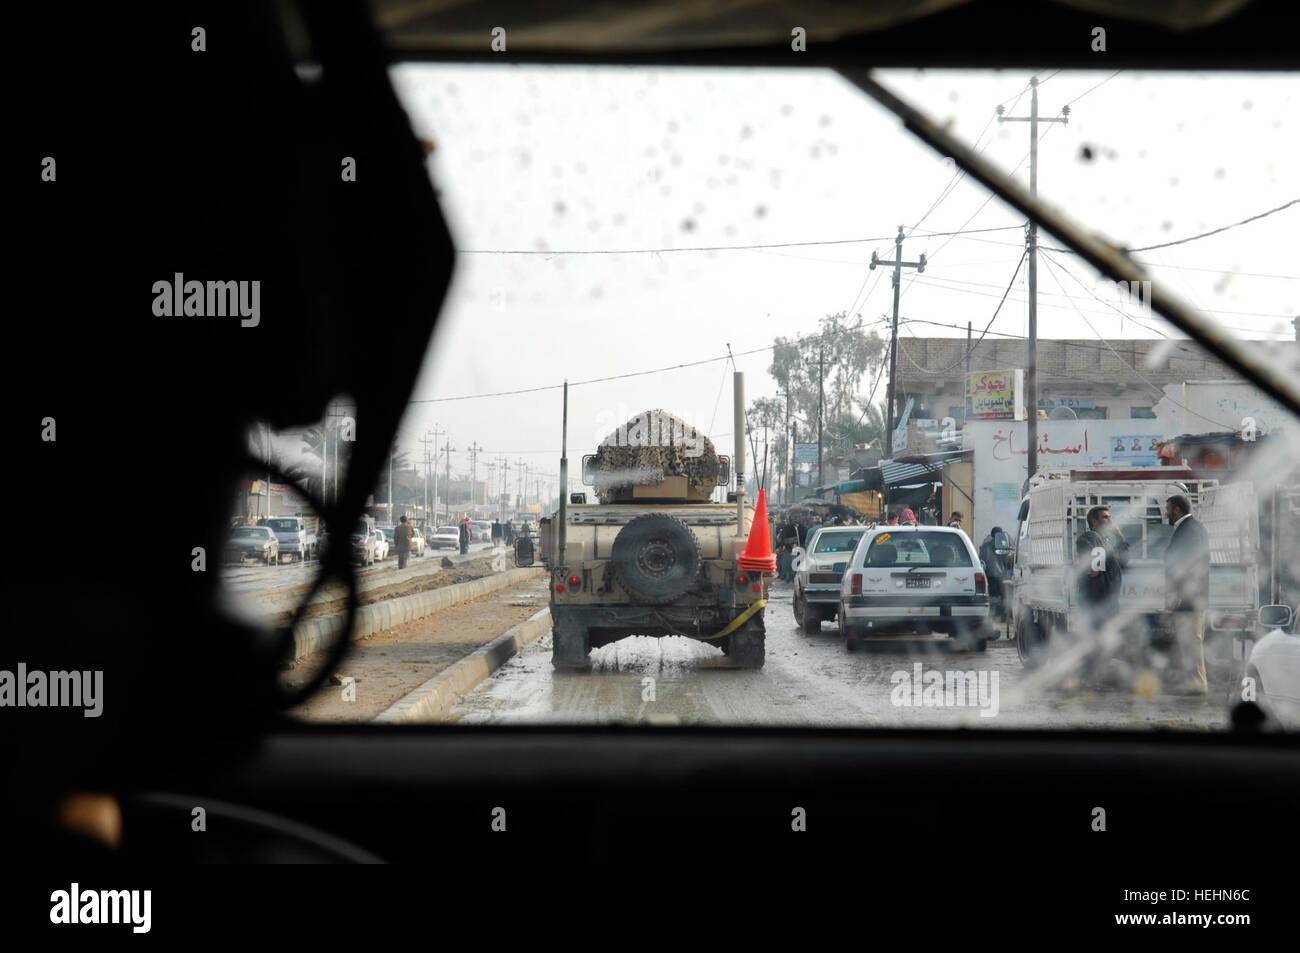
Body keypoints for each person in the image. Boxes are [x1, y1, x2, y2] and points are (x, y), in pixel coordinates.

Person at [1163, 494, 1210, 694]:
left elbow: (1188, 565)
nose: (1166, 514)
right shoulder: (1192, 528)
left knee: (1191, 641)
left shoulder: (1188, 530)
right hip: (1191, 597)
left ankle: (1197, 685)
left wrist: (1178, 594)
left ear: (1176, 510)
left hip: (1189, 597)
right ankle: (1193, 683)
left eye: (1167, 509)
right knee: (1188, 641)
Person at [1073, 506, 1128, 643]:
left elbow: (1123, 561)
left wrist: (1119, 536)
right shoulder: (1091, 536)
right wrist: (1094, 564)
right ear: (1094, 522)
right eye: (1105, 517)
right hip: (1097, 603)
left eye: (1110, 517)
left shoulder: (1105, 541)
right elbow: (1084, 544)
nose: (1110, 520)